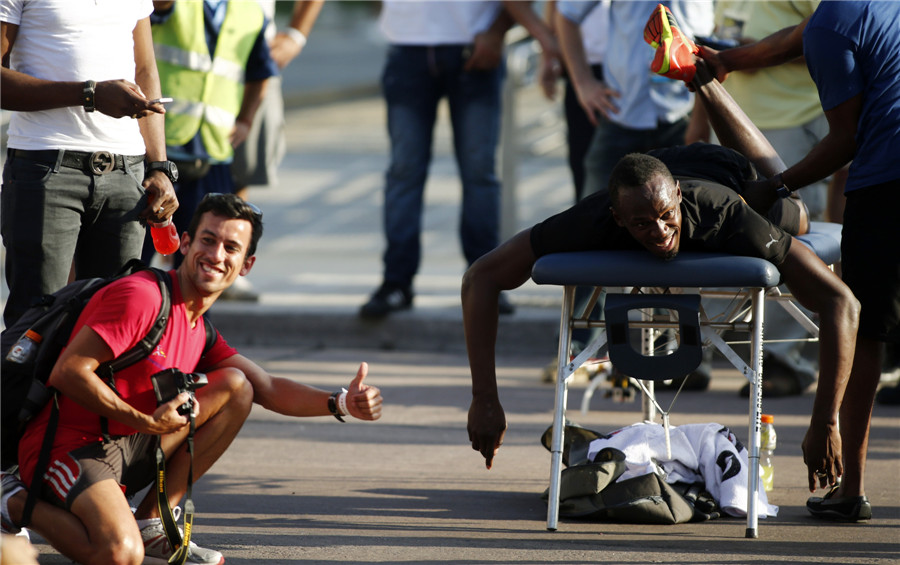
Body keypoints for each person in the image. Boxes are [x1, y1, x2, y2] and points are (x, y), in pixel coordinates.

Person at [462, 61, 860, 525]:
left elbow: (841, 301)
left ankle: (705, 82)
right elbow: (481, 277)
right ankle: (700, 84)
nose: (661, 232)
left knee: (796, 211)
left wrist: (825, 421)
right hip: (656, 164)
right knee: (654, 200)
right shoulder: (594, 217)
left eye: (667, 217)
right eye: (641, 225)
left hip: (727, 175)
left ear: (677, 199)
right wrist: (484, 398)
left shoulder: (724, 215)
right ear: (618, 219)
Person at [0, 193, 384, 564]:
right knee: (119, 555)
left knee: (237, 386)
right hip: (68, 446)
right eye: (208, 240)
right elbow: (69, 372)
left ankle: (151, 523)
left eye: (231, 248)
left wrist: (341, 403)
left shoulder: (198, 324)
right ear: (185, 243)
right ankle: (11, 500)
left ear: (246, 265)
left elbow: (265, 388)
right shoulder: (142, 297)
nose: (216, 255)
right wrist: (146, 422)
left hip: (129, 441)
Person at [696, 1, 899, 521]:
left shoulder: (834, 25)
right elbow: (793, 38)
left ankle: (850, 488)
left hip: (888, 184)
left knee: (867, 333)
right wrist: (727, 61)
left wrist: (776, 187)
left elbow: (846, 138)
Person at [687, 0, 836, 398]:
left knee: (788, 243)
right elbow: (715, 58)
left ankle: (785, 362)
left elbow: (834, 38)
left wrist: (752, 54)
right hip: (728, 118)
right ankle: (698, 352)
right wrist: (699, 122)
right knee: (711, 229)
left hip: (792, 123)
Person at [0, 0, 178, 327]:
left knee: (115, 323)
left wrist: (159, 167)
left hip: (126, 172)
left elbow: (144, 70)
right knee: (37, 323)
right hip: (45, 166)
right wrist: (89, 95)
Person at [358, 1, 517, 320]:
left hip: (475, 43)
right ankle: (396, 282)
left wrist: (498, 29)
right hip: (407, 45)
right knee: (404, 171)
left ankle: (486, 281)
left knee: (479, 172)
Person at [141, 0, 278, 275]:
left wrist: (246, 120)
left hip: (214, 154)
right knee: (133, 256)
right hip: (159, 152)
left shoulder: (251, 11)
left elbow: (261, 71)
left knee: (200, 263)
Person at [555, 0, 713, 199]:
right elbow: (567, 13)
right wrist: (583, 83)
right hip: (621, 115)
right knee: (593, 209)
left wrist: (701, 116)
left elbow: (714, 34)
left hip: (684, 116)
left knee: (686, 206)